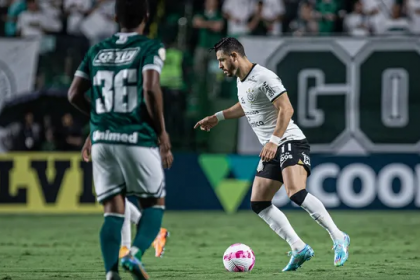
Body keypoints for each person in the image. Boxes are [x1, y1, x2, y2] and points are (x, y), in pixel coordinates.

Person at [194, 37, 350, 271]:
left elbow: (286, 108)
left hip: (289, 141)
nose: (220, 66)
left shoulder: (264, 76)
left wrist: (274, 141)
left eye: (222, 60)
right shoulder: (242, 80)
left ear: (234, 56)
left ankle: (339, 237)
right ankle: (299, 247)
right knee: (259, 202)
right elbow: (246, 105)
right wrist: (218, 117)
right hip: (273, 146)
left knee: (295, 192)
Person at [68, 0, 173, 279]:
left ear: (115, 17)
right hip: (136, 137)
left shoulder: (97, 50)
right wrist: (161, 132)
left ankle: (111, 274)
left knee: (112, 211)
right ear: (147, 17)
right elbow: (151, 87)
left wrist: (99, 119)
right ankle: (134, 254)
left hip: (102, 138)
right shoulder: (151, 47)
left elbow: (73, 94)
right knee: (154, 204)